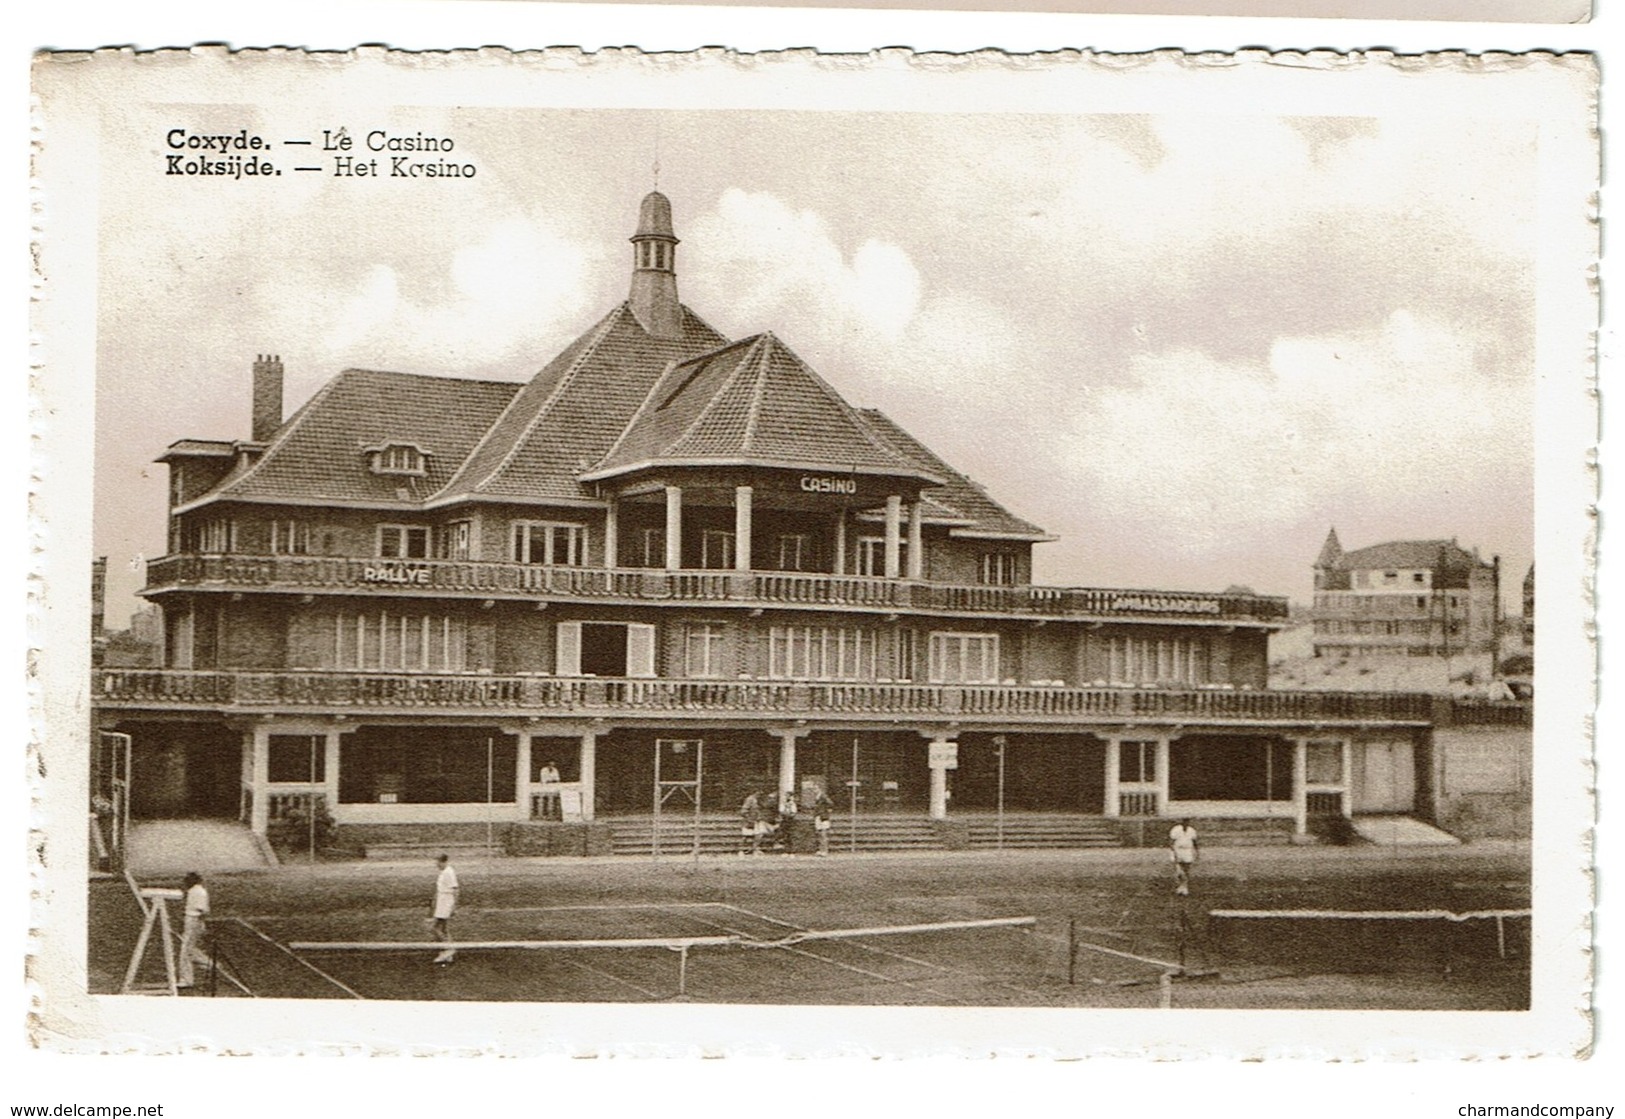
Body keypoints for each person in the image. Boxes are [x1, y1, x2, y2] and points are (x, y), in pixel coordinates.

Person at [176, 871, 210, 989]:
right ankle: (205, 963)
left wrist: (200, 925)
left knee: (185, 951)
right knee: (189, 949)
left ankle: (186, 979)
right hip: (192, 921)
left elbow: (202, 911)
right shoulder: (195, 891)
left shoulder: (198, 892)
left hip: (193, 921)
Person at [431, 853, 459, 964]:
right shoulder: (443, 872)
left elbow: (456, 890)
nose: (436, 864)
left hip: (446, 902)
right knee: (444, 929)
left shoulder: (449, 872)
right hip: (442, 901)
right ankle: (447, 953)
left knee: (434, 928)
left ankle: (449, 949)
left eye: (437, 862)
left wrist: (454, 907)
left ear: (443, 862)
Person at [1168, 818, 1199, 896]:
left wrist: (1197, 852)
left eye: (1187, 821)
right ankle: (1179, 887)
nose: (1185, 823)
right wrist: (1173, 851)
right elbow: (1171, 841)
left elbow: (1194, 841)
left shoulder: (1191, 830)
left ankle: (1185, 887)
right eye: (1184, 821)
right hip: (1178, 849)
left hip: (1187, 850)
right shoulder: (1176, 829)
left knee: (1186, 870)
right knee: (1178, 870)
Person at [739, 791, 766, 856]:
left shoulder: (757, 800)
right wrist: (749, 819)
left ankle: (755, 849)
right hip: (749, 820)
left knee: (758, 835)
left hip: (756, 820)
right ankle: (741, 850)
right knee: (745, 836)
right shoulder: (750, 799)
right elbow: (743, 811)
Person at [812, 791, 834, 856]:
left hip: (823, 817)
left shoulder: (823, 796)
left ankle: (825, 850)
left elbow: (830, 803)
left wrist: (828, 810)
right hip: (818, 817)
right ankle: (820, 849)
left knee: (823, 834)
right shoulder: (817, 798)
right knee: (819, 834)